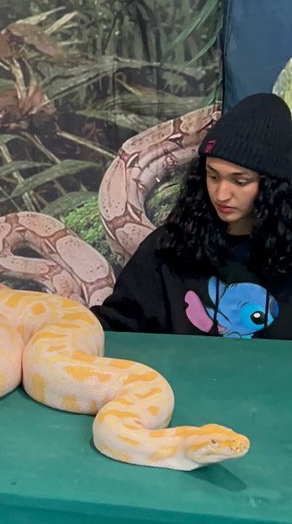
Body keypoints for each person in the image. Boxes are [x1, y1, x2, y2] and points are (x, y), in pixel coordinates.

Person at [91, 93, 292, 339]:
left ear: (274, 187)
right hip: (176, 378)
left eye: (240, 181)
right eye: (213, 175)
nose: (221, 194)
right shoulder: (167, 247)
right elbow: (117, 325)